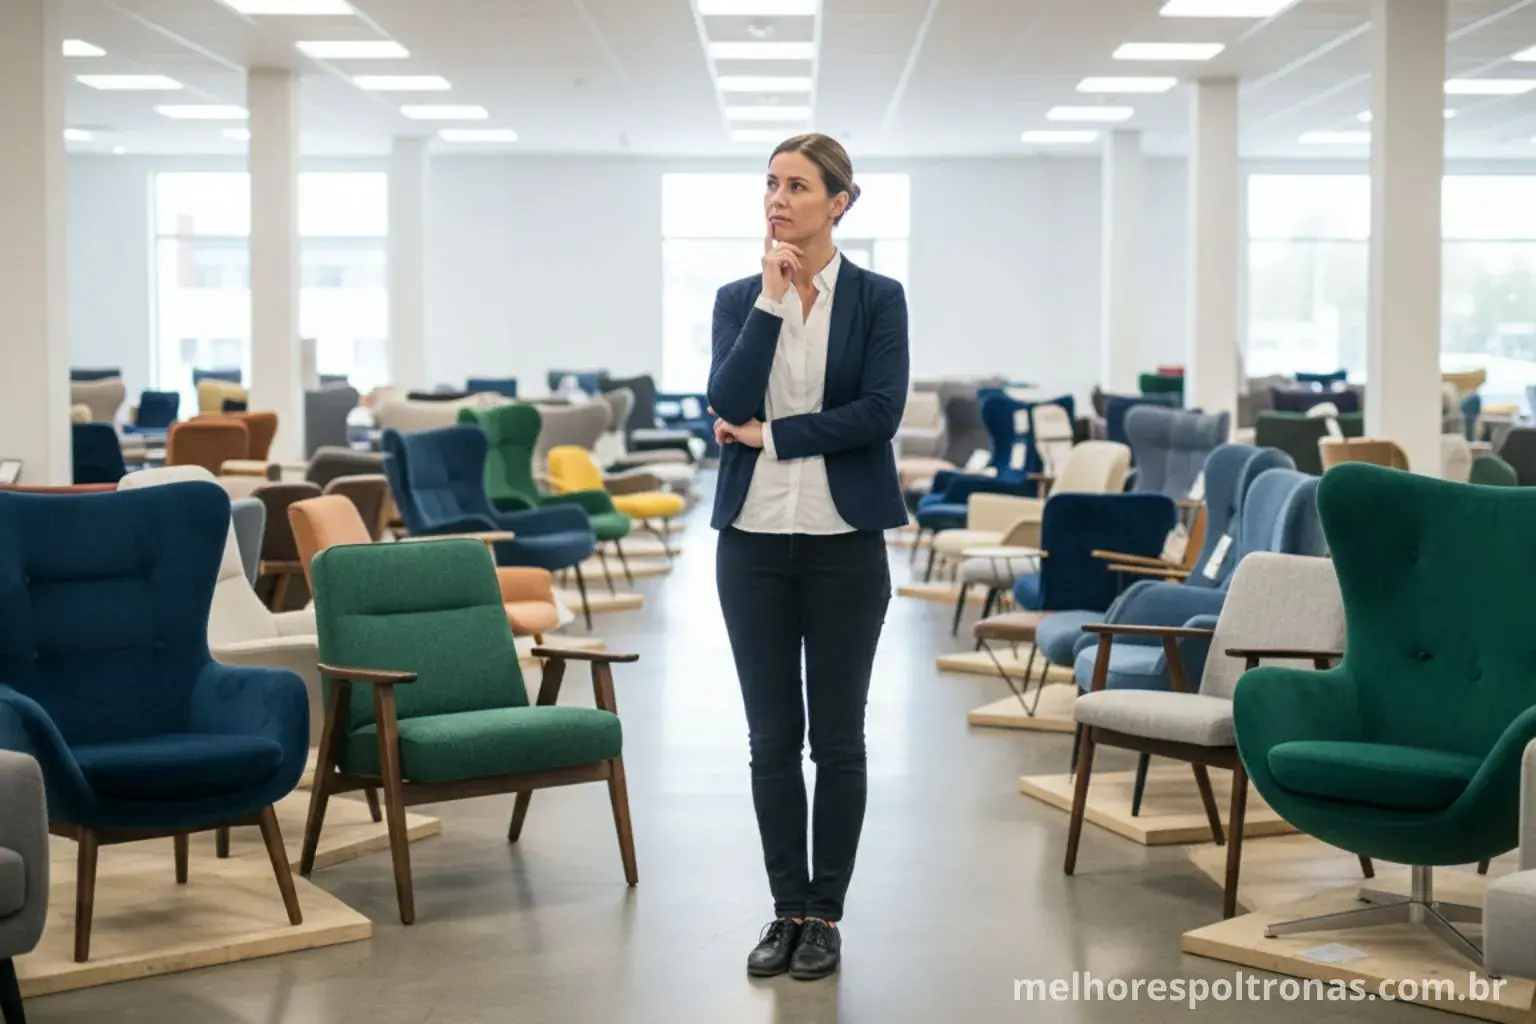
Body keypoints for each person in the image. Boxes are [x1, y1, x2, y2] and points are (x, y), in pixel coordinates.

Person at [706, 133, 910, 982]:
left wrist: (772, 436)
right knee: (770, 739)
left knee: (838, 739)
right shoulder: (737, 298)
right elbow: (724, 397)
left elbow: (880, 412)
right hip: (751, 546)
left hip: (844, 546)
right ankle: (786, 907)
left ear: (839, 202)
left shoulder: (879, 298)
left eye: (796, 186)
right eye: (770, 184)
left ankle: (825, 915)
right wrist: (767, 302)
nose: (777, 200)